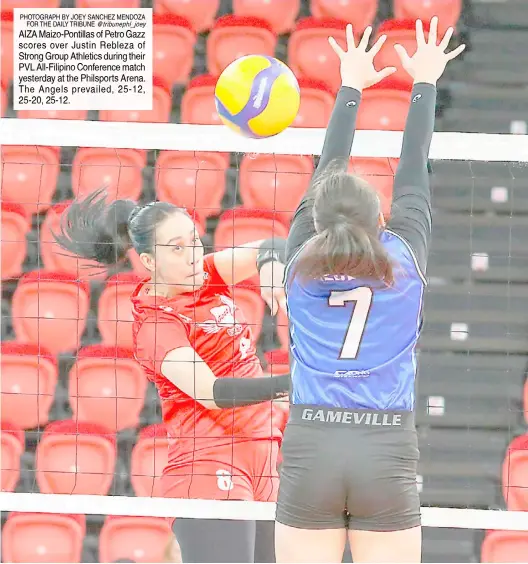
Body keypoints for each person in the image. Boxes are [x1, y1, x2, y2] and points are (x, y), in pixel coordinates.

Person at [275, 18, 465, 564]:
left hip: (312, 442)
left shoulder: (299, 264)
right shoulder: (405, 261)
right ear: (381, 219)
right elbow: (414, 172)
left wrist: (349, 86)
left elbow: (325, 172)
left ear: (315, 217)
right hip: (385, 447)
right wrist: (424, 82)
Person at [54, 195, 290, 563]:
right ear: (149, 262)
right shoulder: (156, 325)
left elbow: (274, 245)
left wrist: (273, 265)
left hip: (261, 463)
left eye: (195, 241)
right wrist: (292, 384)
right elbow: (213, 392)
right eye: (177, 248)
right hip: (208, 467)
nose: (193, 254)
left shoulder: (207, 276)